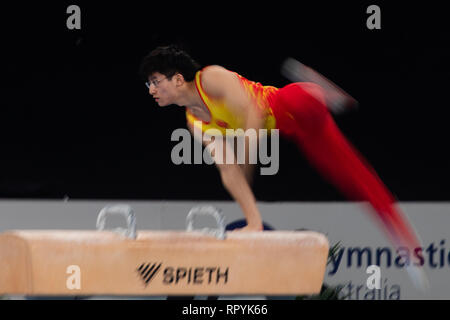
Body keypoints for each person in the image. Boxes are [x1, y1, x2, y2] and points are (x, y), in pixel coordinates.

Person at [138, 44, 422, 265]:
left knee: (306, 102)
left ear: (177, 79)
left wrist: (246, 163)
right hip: (296, 130)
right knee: (350, 174)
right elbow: (228, 171)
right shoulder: (195, 123)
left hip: (291, 103)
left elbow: (253, 113)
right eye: (147, 84)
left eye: (154, 81)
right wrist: (253, 221)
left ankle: (317, 90)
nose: (151, 90)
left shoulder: (211, 78)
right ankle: (404, 237)